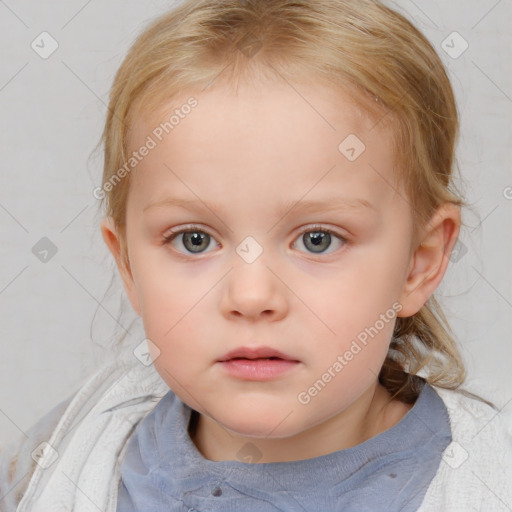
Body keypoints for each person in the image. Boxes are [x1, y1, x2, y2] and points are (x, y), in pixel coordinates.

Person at [1, 0, 511, 510]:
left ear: (419, 262)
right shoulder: (65, 459)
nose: (251, 296)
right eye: (193, 239)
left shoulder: (488, 480)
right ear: (128, 264)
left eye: (318, 239)